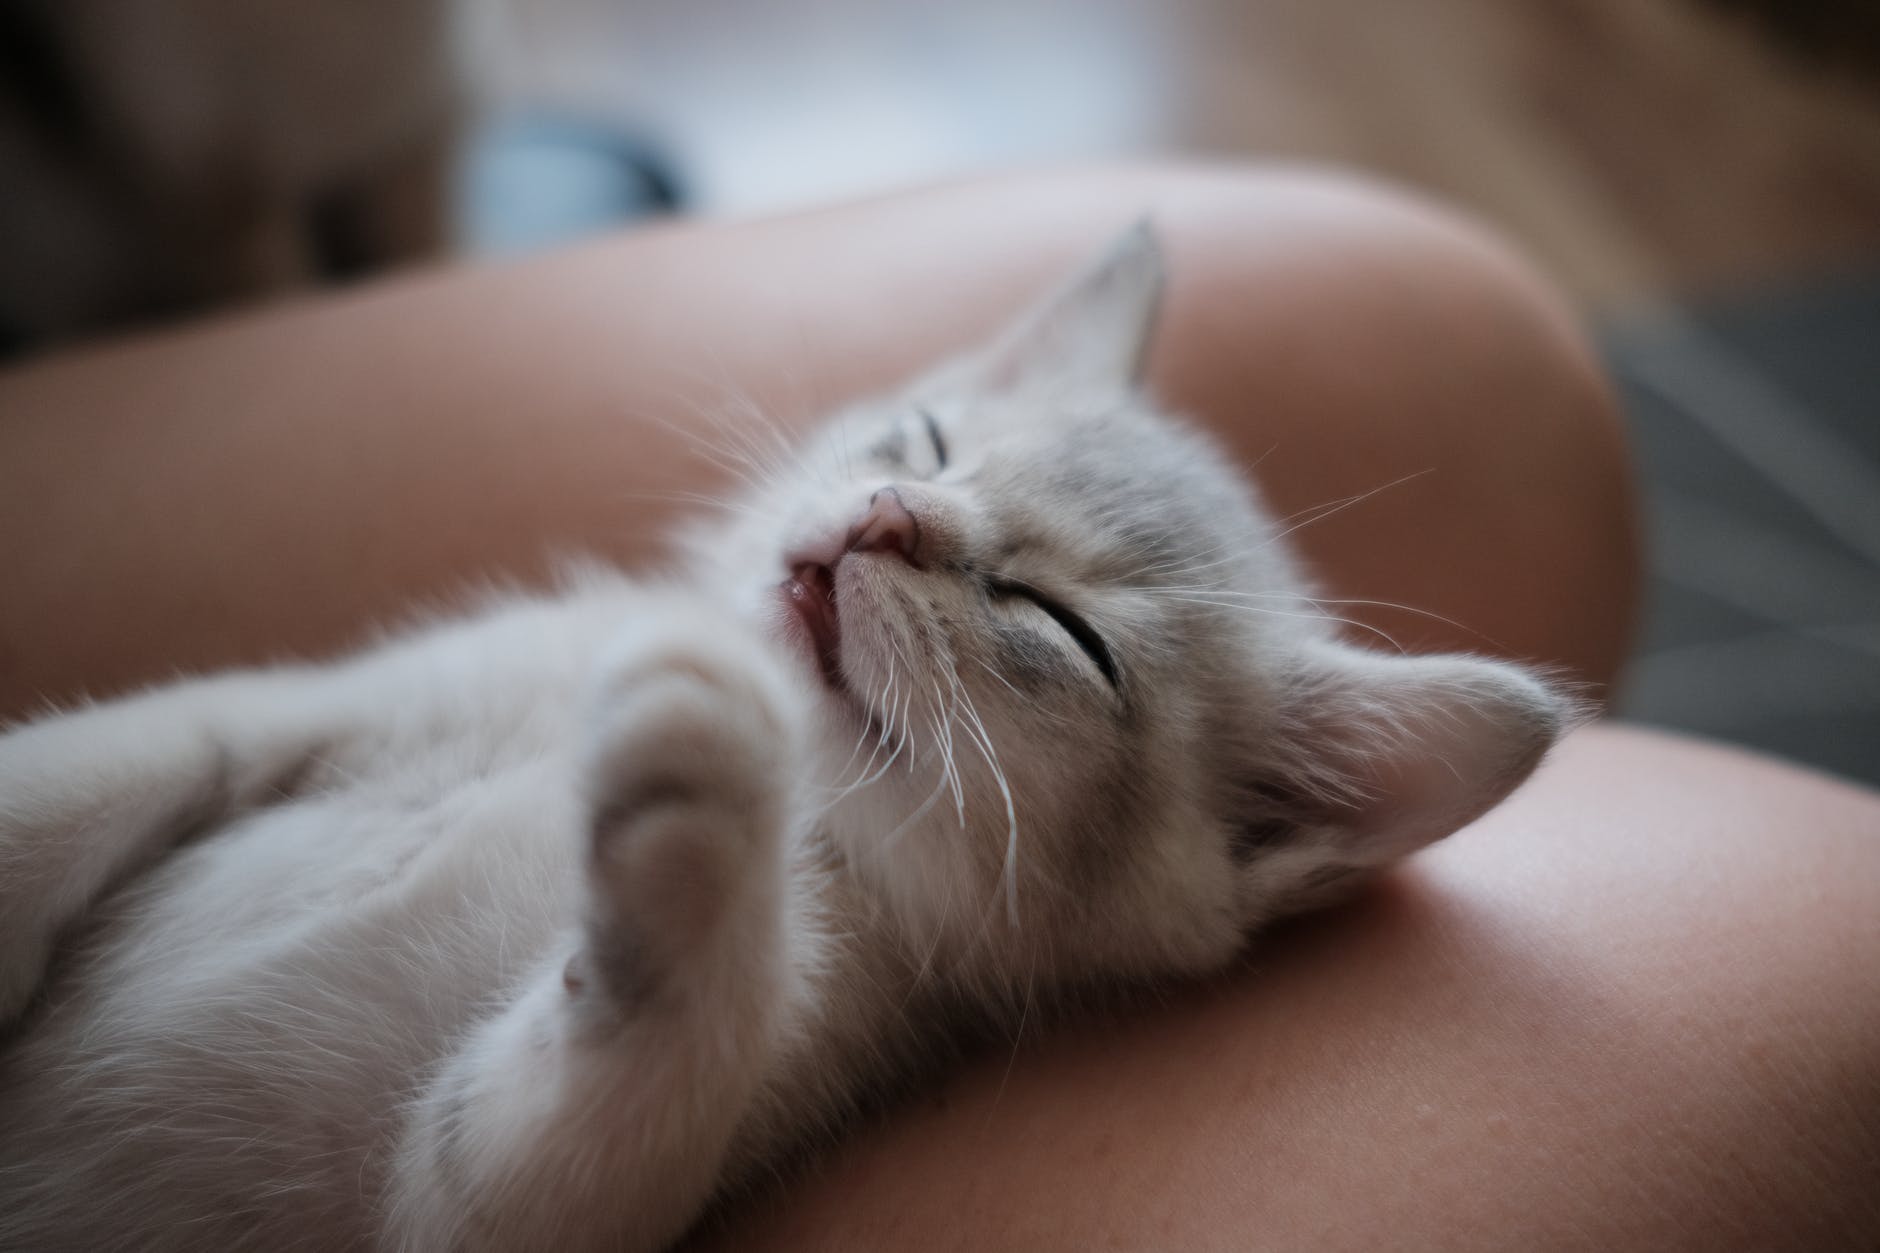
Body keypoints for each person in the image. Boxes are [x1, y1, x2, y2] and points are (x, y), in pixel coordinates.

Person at [0, 165, 1874, 1250]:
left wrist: (685, 977)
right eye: (915, 439)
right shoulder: (614, 634)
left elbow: (462, 1208)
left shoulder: (835, 994)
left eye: (1051, 627)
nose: (901, 515)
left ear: (1245, 839)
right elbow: (223, 747)